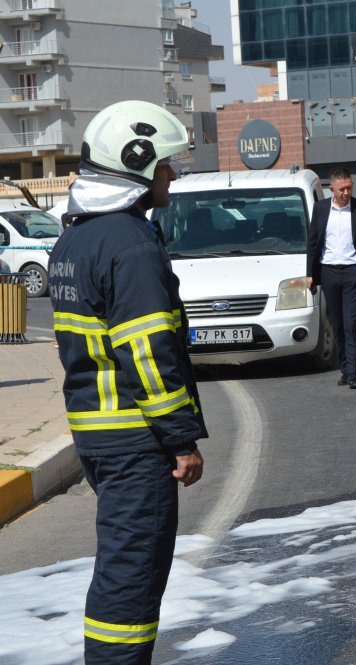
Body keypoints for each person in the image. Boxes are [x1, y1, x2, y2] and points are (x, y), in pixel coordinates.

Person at [48, 100, 207, 665]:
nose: (172, 174)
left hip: (98, 433)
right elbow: (148, 352)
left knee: (120, 568)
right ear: (136, 165)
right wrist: (180, 439)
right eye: (165, 165)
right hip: (137, 439)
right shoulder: (131, 243)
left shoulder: (75, 239)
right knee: (132, 578)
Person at [307, 167, 356, 389]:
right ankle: (344, 369)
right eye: (342, 189)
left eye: (349, 187)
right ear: (332, 189)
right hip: (328, 271)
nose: (347, 192)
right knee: (337, 324)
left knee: (351, 324)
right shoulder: (320, 210)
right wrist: (310, 274)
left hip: (352, 272)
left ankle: (354, 374)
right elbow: (312, 242)